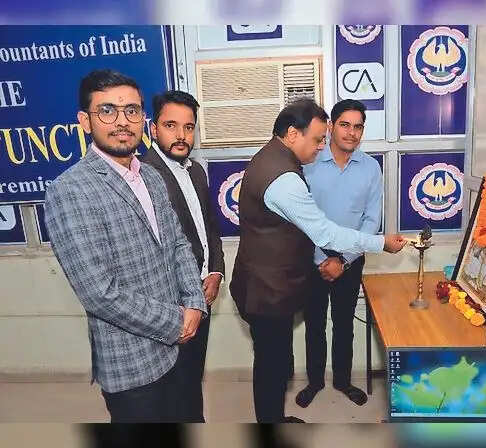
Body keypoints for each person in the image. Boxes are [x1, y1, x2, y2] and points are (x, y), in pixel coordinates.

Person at [229, 98, 408, 423]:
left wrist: (345, 260)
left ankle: (284, 413)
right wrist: (381, 243)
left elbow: (365, 219)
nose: (320, 146)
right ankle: (278, 415)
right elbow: (323, 232)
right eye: (317, 139)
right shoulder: (285, 175)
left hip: (290, 278)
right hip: (277, 283)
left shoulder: (272, 157)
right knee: (275, 360)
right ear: (292, 134)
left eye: (358, 127)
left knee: (279, 359)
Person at [44, 69, 207, 423]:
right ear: (85, 121)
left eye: (131, 110)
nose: (122, 121)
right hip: (131, 364)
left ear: (143, 119)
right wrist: (177, 322)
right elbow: (99, 292)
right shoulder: (70, 190)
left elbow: (178, 244)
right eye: (107, 111)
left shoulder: (151, 175)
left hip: (181, 348)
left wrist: (194, 303)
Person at [141, 90, 225, 423]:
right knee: (170, 389)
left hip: (203, 295)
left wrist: (215, 272)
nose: (181, 135)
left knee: (191, 379)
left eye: (188, 127)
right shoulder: (141, 176)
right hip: (169, 303)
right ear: (153, 129)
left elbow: (210, 228)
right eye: (170, 125)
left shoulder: (197, 171)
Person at [296, 99, 380, 409]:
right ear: (331, 126)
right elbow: (299, 216)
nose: (351, 132)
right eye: (345, 124)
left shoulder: (370, 168)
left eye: (358, 126)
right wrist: (322, 259)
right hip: (312, 260)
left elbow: (371, 221)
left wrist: (343, 260)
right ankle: (315, 382)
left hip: (350, 260)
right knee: (314, 325)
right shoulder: (309, 162)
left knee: (344, 325)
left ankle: (343, 381)